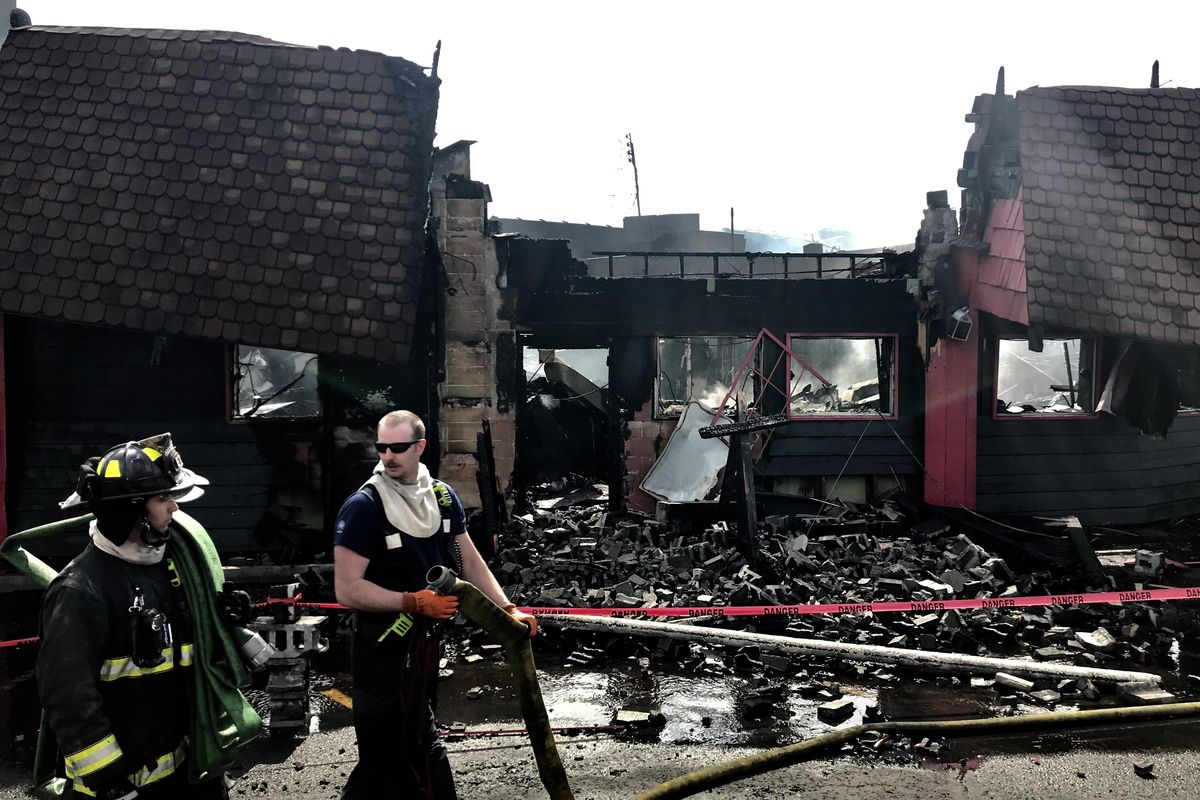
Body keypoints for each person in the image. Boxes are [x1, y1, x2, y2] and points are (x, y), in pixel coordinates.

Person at [333, 410, 537, 800]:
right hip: (380, 650)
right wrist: (411, 601)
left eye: (398, 447)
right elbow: (347, 589)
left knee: (415, 743)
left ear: (420, 447)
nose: (387, 456)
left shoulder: (441, 498)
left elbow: (470, 561)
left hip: (422, 650)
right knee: (384, 755)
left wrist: (508, 609)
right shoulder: (363, 507)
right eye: (381, 447)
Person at [37, 434, 233, 799]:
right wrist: (108, 780)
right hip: (123, 786)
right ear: (130, 509)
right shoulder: (81, 591)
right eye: (163, 498)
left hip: (187, 775)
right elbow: (69, 697)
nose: (174, 508)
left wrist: (225, 621)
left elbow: (195, 660)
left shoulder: (170, 568)